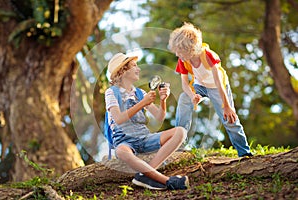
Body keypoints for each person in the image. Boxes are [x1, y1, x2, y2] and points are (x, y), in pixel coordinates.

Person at [105, 52, 190, 190]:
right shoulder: (111, 92)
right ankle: (167, 181)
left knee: (180, 132)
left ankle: (144, 175)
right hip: (124, 140)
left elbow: (159, 116)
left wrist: (163, 100)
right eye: (134, 66)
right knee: (121, 152)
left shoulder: (139, 93)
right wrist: (142, 103)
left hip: (144, 137)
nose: (138, 69)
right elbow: (119, 119)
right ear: (122, 71)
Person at [168, 22, 253, 157]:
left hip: (217, 87)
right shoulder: (183, 60)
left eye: (180, 52)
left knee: (229, 118)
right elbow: (184, 84)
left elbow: (219, 83)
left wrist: (226, 106)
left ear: (190, 49)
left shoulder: (208, 56)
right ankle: (179, 144)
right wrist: (192, 96)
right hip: (200, 86)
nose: (178, 55)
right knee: (184, 98)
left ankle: (245, 153)